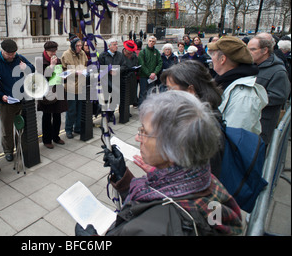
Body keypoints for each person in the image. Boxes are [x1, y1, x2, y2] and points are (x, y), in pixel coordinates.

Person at [76, 90, 242, 236]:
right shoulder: (204, 180)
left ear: (175, 149)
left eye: (145, 132)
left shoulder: (154, 227)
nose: (137, 138)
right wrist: (123, 177)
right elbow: (151, 202)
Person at [159, 60, 224, 176]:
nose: (167, 94)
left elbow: (199, 178)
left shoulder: (202, 127)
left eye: (171, 89)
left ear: (190, 91)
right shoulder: (195, 116)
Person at [208, 36, 268, 135]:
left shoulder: (244, 95)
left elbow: (235, 139)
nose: (211, 58)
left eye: (213, 54)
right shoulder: (226, 82)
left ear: (222, 59)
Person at [0, 39, 35, 161]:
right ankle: (8, 151)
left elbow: (32, 69)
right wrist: (1, 97)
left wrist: (26, 67)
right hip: (6, 102)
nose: (11, 56)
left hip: (21, 100)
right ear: (2, 51)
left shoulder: (19, 58)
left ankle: (20, 147)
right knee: (7, 129)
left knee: (21, 126)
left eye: (13, 53)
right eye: (9, 54)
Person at [247, 35, 290, 146]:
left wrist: (249, 98)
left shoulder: (278, 71)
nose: (248, 52)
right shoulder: (251, 66)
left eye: (252, 49)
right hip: (248, 121)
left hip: (262, 125)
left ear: (265, 50)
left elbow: (279, 96)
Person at [38, 41, 68, 148]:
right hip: (47, 92)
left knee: (57, 115)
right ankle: (46, 140)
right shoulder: (40, 61)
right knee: (46, 116)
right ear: (46, 51)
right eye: (51, 51)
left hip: (58, 90)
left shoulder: (57, 59)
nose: (53, 53)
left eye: (55, 51)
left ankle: (56, 136)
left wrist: (64, 76)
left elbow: (59, 74)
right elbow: (41, 78)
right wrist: (51, 66)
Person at [61, 36, 88, 139]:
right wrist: (75, 72)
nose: (79, 47)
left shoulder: (82, 53)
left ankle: (77, 127)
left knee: (80, 109)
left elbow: (86, 64)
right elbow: (63, 71)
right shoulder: (66, 55)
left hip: (81, 85)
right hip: (71, 87)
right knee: (71, 110)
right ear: (73, 45)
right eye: (77, 46)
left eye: (81, 45)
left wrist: (85, 70)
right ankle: (68, 129)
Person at [137, 36, 162, 106]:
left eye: (153, 41)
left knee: (152, 92)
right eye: (150, 41)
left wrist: (155, 73)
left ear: (155, 43)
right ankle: (141, 107)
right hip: (144, 76)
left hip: (153, 77)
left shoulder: (156, 52)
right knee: (143, 93)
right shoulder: (143, 52)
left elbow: (160, 63)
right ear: (147, 41)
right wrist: (149, 74)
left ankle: (151, 107)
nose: (151, 42)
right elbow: (141, 64)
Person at [122, 40, 139, 106]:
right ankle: (123, 111)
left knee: (131, 95)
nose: (130, 54)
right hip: (123, 79)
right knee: (124, 96)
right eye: (129, 52)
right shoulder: (121, 56)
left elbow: (137, 63)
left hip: (132, 78)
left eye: (131, 52)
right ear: (125, 50)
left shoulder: (134, 56)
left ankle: (127, 110)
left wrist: (136, 68)